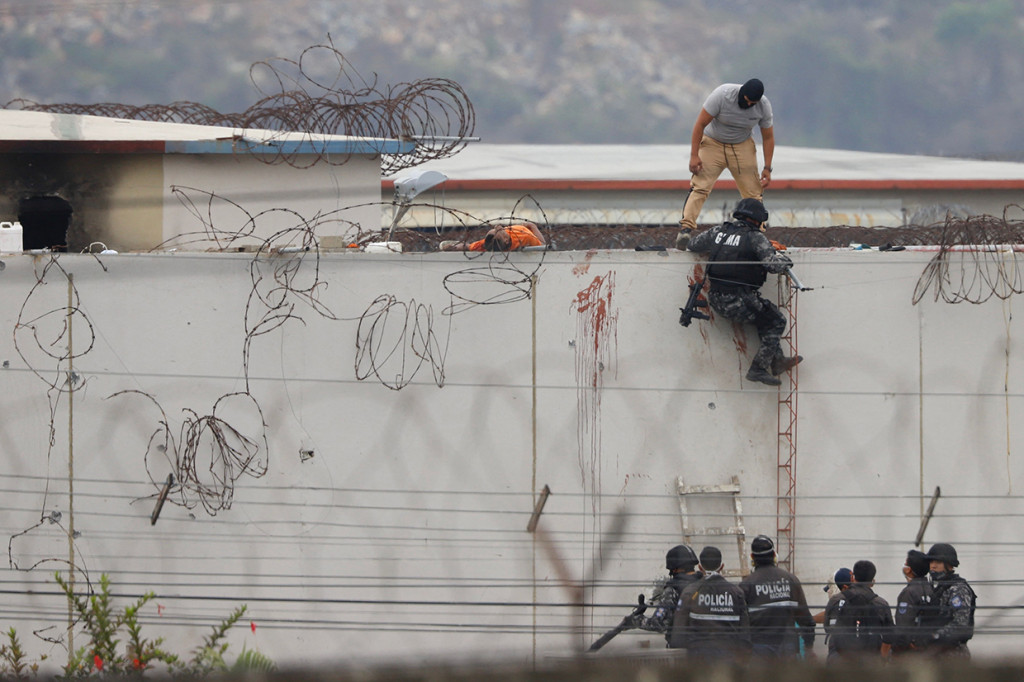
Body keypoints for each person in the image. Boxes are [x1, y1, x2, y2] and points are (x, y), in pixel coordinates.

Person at [683, 198, 800, 386]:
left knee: (765, 316)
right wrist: (786, 261)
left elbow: (692, 244)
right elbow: (772, 265)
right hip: (739, 300)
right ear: (758, 219)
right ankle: (758, 369)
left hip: (715, 298)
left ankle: (777, 360)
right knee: (777, 321)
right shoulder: (755, 237)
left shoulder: (719, 231)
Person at [678, 79, 774, 237]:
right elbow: (700, 124)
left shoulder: (763, 106)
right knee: (701, 186)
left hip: (741, 145)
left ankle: (758, 233)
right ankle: (686, 229)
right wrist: (694, 155)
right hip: (712, 143)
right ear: (741, 94)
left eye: (752, 103)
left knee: (753, 192)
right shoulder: (722, 95)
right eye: (746, 101)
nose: (748, 105)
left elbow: (768, 137)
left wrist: (767, 168)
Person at [739, 535, 815, 658]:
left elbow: (741, 625)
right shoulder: (791, 580)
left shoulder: (746, 586)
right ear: (775, 555)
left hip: (760, 651)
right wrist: (809, 647)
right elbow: (805, 619)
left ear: (752, 557)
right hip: (787, 649)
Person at [669, 546, 751, 659]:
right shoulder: (737, 593)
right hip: (729, 661)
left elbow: (678, 635)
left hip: (699, 661)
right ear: (722, 566)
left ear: (700, 567)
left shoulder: (689, 592)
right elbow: (745, 635)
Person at [628, 544, 702, 645]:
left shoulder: (673, 589)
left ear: (675, 568)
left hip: (684, 653)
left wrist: (636, 619)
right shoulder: (707, 584)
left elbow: (658, 624)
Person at [823, 560, 894, 663]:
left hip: (839, 660)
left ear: (853, 578)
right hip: (870, 661)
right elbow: (889, 636)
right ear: (872, 582)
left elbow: (828, 628)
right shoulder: (881, 604)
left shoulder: (835, 600)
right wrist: (881, 659)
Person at [925, 542, 976, 658]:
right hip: (937, 653)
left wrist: (935, 636)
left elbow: (960, 623)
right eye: (931, 562)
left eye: (938, 562)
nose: (933, 566)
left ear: (949, 565)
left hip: (954, 653)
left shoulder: (958, 589)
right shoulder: (938, 589)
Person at [891, 549, 935, 656]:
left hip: (911, 652)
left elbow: (903, 627)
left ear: (908, 570)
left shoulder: (909, 593)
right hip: (930, 649)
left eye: (906, 564)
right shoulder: (932, 589)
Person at [439, 222, 545, 252]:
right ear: (506, 239)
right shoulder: (525, 237)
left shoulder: (489, 243)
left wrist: (452, 248)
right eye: (499, 230)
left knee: (471, 246)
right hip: (529, 229)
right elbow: (543, 245)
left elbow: (468, 247)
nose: (498, 226)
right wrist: (532, 226)